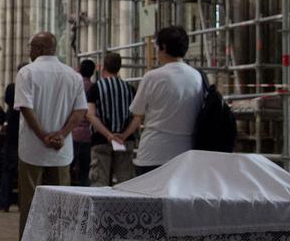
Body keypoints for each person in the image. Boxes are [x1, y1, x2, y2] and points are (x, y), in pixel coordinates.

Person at [14, 32, 87, 241]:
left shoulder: (27, 72)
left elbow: (26, 108)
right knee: (60, 202)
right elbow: (80, 111)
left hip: (32, 148)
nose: (29, 51)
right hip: (61, 149)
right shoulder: (72, 75)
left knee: (29, 201)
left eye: (31, 47)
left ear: (38, 49)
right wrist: (61, 134)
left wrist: (43, 136)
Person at [114, 25, 202, 175]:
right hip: (185, 153)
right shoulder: (197, 77)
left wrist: (123, 135)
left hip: (153, 152)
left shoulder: (153, 77)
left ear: (163, 47)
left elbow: (137, 115)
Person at [86, 51, 137, 186]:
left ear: (103, 66)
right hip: (125, 141)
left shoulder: (96, 88)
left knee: (99, 182)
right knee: (126, 182)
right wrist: (123, 135)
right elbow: (137, 117)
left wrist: (109, 135)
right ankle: (126, 207)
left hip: (101, 140)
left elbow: (91, 115)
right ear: (119, 68)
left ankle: (100, 207)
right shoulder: (130, 89)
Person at [0, 80, 20, 211]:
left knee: (8, 171)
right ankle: (24, 203)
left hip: (11, 137)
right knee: (23, 173)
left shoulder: (12, 88)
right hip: (24, 136)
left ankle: (4, 203)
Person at [71, 59, 96, 185]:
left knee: (69, 168)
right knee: (85, 171)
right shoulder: (94, 87)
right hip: (88, 134)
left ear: (79, 69)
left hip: (73, 132)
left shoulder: (74, 86)